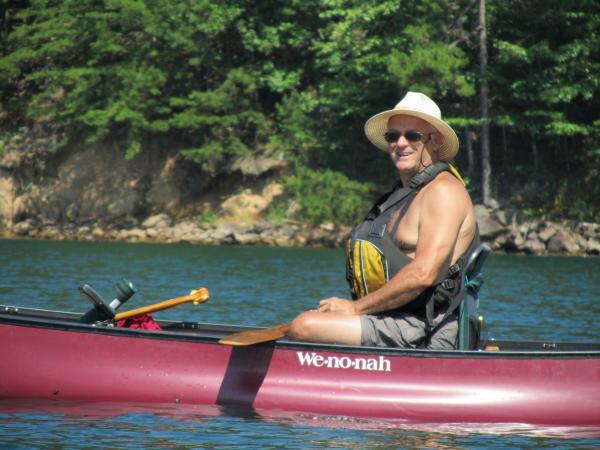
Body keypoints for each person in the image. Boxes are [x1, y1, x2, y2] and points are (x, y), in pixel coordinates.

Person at [287, 92, 478, 349]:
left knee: (304, 326)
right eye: (393, 136)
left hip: (427, 328)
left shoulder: (442, 191)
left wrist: (355, 309)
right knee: (313, 320)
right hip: (395, 319)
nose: (400, 143)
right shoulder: (404, 195)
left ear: (435, 141)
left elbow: (424, 273)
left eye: (412, 136)